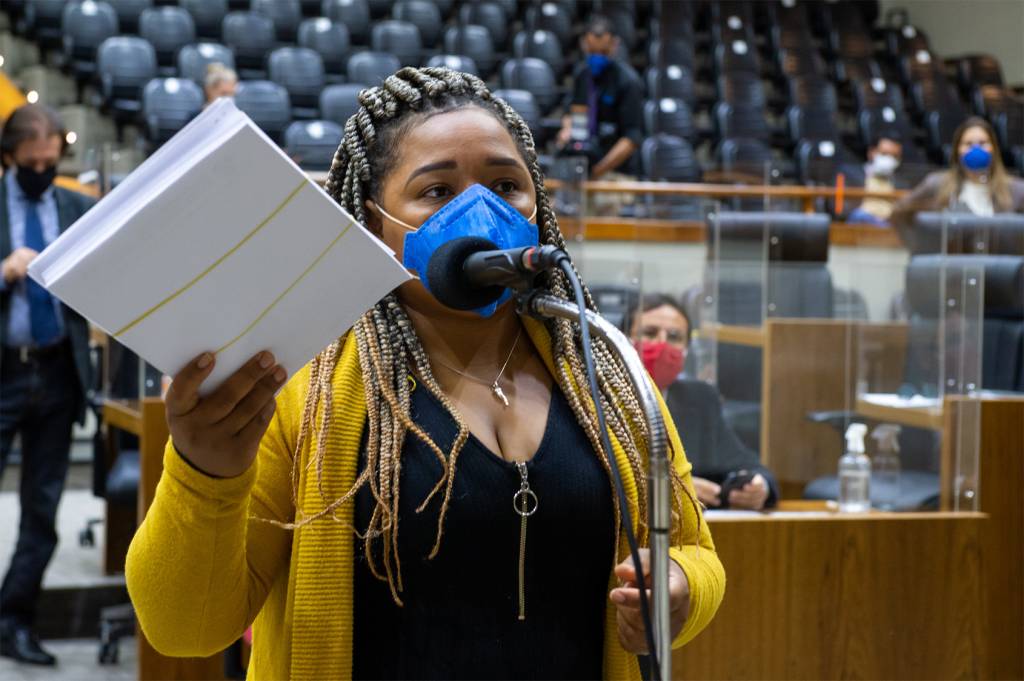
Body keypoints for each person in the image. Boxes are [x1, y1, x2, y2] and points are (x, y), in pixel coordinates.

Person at [125, 68, 724, 680]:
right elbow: (184, 628)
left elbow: (693, 553)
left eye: (506, 184)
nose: (481, 210)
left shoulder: (606, 370)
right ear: (373, 223)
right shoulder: (305, 386)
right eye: (437, 191)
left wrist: (677, 586)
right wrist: (204, 473)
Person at [0, 104, 95, 666]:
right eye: (33, 163)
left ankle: (14, 619)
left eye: (51, 162)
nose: (42, 170)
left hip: (60, 372)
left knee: (43, 507)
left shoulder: (74, 206)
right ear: (9, 157)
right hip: (5, 369)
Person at [629, 294, 778, 511]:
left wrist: (759, 487)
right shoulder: (598, 396)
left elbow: (749, 465)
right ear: (623, 338)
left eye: (674, 337)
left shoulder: (699, 399)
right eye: (650, 333)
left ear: (687, 349)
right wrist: (673, 489)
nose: (662, 344)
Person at [891, 116, 1024, 245]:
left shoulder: (1017, 189)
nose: (976, 149)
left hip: (1000, 266)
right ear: (957, 150)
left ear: (993, 149)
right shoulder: (936, 184)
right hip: (953, 264)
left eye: (983, 143)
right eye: (968, 144)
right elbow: (899, 212)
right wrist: (919, 247)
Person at [557, 14, 644, 181]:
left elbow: (631, 139)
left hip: (616, 172)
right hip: (582, 167)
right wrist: (567, 129)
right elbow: (572, 111)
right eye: (591, 51)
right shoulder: (581, 74)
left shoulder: (628, 81)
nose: (597, 57)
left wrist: (597, 172)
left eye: (603, 52)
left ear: (614, 46)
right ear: (583, 44)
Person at [847, 134, 904, 227]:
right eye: (884, 154)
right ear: (871, 152)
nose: (890, 159)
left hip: (890, 225)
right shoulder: (851, 175)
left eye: (895, 156)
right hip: (862, 221)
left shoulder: (902, 183)